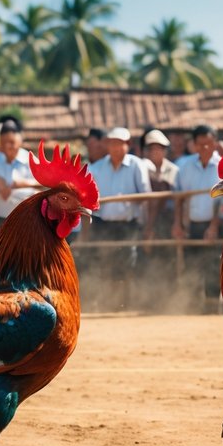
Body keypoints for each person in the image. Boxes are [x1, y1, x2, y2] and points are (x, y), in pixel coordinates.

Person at [87, 127, 150, 312]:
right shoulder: (97, 168)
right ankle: (108, 302)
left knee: (127, 263)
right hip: (103, 223)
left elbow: (146, 195)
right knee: (104, 262)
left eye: (119, 143)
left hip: (128, 223)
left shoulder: (137, 165)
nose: (115, 147)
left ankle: (125, 303)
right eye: (112, 143)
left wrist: (130, 199)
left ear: (127, 145)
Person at [174, 124, 223, 313]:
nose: (205, 148)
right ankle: (192, 308)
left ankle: (212, 309)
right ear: (194, 145)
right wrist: (178, 224)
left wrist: (214, 225)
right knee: (191, 266)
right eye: (201, 144)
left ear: (215, 144)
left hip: (216, 224)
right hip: (193, 224)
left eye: (208, 144)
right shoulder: (184, 166)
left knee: (213, 267)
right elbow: (179, 198)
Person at [141, 129, 179, 240]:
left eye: (159, 148)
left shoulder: (173, 170)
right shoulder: (143, 169)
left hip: (167, 218)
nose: (155, 152)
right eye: (152, 149)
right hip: (146, 218)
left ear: (164, 150)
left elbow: (178, 198)